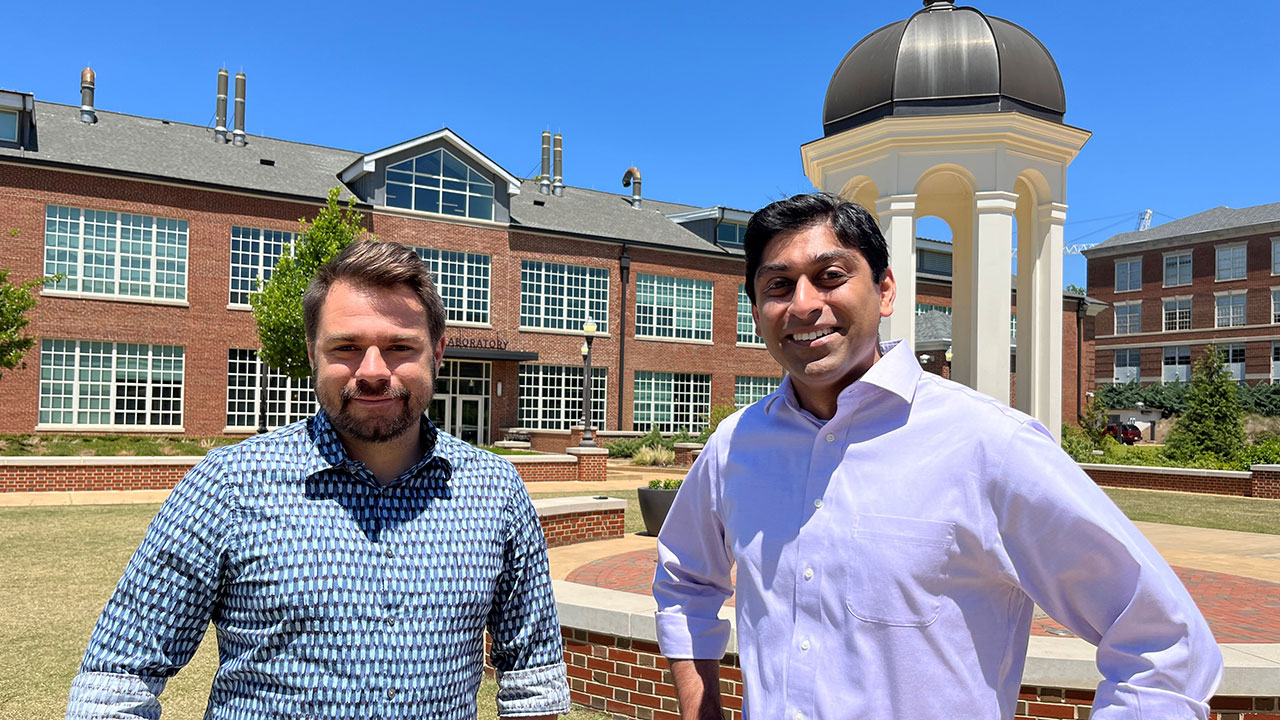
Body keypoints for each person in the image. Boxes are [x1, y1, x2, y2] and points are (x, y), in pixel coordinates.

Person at [652, 193, 1222, 720]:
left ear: (887, 290)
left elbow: (1162, 641)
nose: (804, 305)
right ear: (755, 307)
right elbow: (686, 581)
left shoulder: (989, 445)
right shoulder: (735, 445)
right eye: (778, 286)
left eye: (830, 277)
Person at [67, 241, 569, 719]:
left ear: (437, 354)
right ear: (313, 353)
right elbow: (120, 675)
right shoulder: (228, 486)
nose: (373, 371)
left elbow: (533, 678)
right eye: (347, 346)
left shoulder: (495, 491)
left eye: (399, 346)